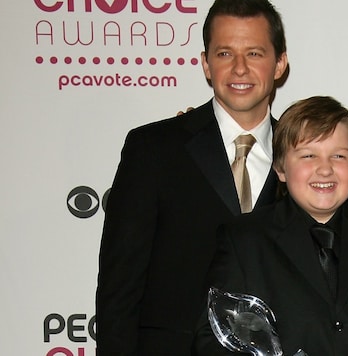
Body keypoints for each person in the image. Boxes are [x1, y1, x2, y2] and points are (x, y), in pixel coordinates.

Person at [95, 0, 288, 354]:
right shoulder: (153, 149)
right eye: (225, 53)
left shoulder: (305, 160)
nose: (240, 68)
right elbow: (118, 291)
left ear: (279, 64)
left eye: (255, 53)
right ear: (205, 64)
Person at [193, 96, 348, 356]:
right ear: (280, 168)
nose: (325, 169)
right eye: (308, 155)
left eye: (339, 156)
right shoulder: (243, 240)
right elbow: (214, 338)